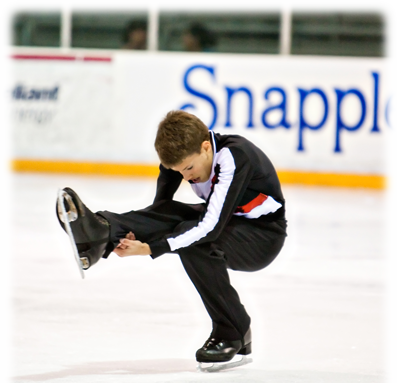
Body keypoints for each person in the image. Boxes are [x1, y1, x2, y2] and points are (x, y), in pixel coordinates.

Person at [56, 110, 287, 364]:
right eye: (179, 171)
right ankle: (100, 231)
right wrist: (141, 230)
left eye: (189, 168)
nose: (186, 177)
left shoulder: (234, 156)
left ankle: (234, 331)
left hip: (263, 237)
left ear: (206, 147)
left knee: (194, 241)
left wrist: (151, 247)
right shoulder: (181, 161)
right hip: (231, 223)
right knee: (180, 225)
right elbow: (161, 209)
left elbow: (211, 226)